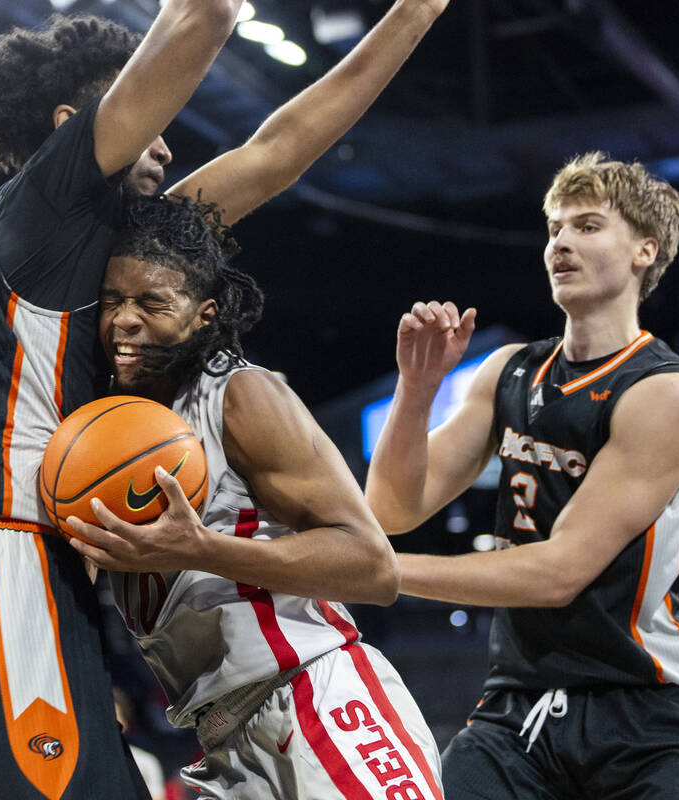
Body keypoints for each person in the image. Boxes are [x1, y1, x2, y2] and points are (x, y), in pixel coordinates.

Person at [0, 0, 449, 795]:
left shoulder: (113, 254)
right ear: (73, 124)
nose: (165, 141)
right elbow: (208, 14)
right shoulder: (42, 209)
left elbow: (276, 151)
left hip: (29, 556)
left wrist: (412, 14)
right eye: (144, 115)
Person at [364, 152, 679, 799]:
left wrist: (385, 572)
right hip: (516, 707)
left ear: (645, 250)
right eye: (555, 227)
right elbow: (390, 510)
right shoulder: (507, 372)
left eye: (586, 226)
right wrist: (416, 391)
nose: (561, 241)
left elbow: (559, 573)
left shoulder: (668, 393)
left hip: (638, 709)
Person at [66, 194, 444, 800]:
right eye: (113, 301)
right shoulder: (108, 426)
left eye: (152, 302)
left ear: (203, 314)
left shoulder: (241, 394)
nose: (124, 320)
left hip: (315, 697)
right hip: (224, 741)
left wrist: (201, 547)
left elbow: (374, 568)